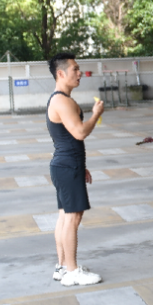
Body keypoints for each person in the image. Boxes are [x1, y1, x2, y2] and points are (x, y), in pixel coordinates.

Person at [46, 52, 104, 287]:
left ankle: (62, 267)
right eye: (75, 69)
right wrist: (96, 114)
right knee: (72, 217)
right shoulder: (62, 101)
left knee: (65, 216)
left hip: (67, 165)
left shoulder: (60, 99)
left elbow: (69, 137)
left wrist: (82, 166)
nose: (80, 73)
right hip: (67, 165)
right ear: (61, 73)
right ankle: (72, 271)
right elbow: (79, 132)